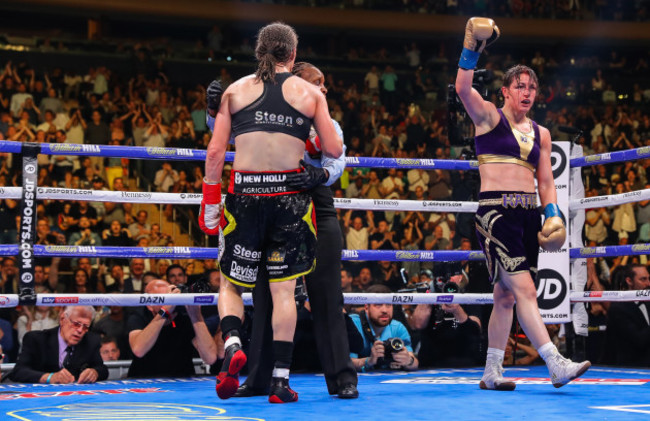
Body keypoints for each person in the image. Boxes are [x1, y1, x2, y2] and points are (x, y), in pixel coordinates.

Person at [200, 22, 342, 403]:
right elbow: (333, 148)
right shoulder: (310, 93)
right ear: (292, 55)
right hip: (289, 199)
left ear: (258, 51)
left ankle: (232, 346)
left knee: (230, 283)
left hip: (244, 195)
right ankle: (280, 381)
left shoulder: (235, 90)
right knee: (283, 293)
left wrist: (209, 202)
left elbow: (215, 153)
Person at [455, 17, 590, 390]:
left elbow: (545, 180)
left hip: (529, 214)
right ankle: (554, 361)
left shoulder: (542, 134)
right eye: (520, 86)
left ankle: (491, 372)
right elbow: (462, 87)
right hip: (495, 213)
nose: (527, 92)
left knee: (505, 297)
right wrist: (472, 47)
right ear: (505, 91)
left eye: (532, 87)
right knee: (526, 289)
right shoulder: (487, 117)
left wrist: (553, 214)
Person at [126, 279, 217, 377]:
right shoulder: (139, 316)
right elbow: (139, 350)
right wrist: (164, 312)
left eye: (170, 297)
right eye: (164, 299)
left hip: (181, 382)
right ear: (149, 305)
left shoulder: (184, 316)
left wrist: (196, 315)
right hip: (144, 380)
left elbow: (210, 358)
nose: (170, 302)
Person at [9, 306, 108, 384]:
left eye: (86, 327)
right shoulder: (36, 340)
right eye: (76, 324)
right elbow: (18, 371)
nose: (80, 330)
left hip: (76, 400)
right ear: (62, 319)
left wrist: (94, 372)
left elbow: (102, 369)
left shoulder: (91, 341)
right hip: (41, 399)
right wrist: (49, 377)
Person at [348, 285, 418, 372]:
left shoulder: (398, 327)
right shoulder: (353, 324)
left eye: (389, 304)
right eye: (378, 305)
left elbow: (414, 363)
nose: (385, 310)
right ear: (366, 307)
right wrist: (369, 361)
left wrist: (408, 360)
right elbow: (345, 363)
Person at [604, 264, 650, 367]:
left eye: (648, 278)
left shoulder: (647, 302)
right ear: (629, 281)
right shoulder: (619, 308)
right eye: (643, 279)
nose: (648, 283)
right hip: (630, 368)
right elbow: (639, 340)